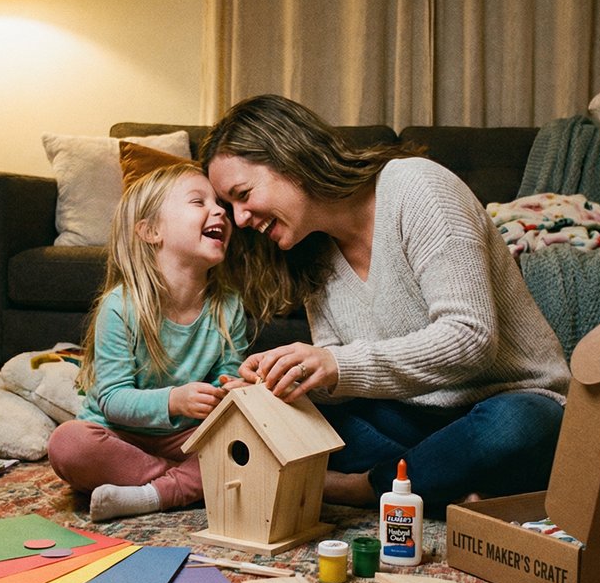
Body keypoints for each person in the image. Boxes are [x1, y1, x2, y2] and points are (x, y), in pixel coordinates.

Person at [200, 94, 571, 517]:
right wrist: (283, 383)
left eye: (242, 194)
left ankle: (366, 488)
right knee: (308, 428)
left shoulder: (418, 187)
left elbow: (471, 338)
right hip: (413, 419)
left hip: (511, 401)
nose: (240, 218)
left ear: (290, 157)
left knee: (517, 429)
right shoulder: (310, 250)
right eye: (231, 206)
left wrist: (335, 365)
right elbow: (343, 379)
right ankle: (445, 483)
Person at [47, 160, 249, 521]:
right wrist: (175, 400)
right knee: (68, 444)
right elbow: (111, 399)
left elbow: (228, 381)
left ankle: (150, 494)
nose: (220, 209)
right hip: (120, 436)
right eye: (198, 202)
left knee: (247, 441)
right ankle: (181, 483)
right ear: (152, 230)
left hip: (187, 438)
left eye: (218, 203)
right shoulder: (120, 306)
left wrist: (233, 388)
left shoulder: (228, 306)